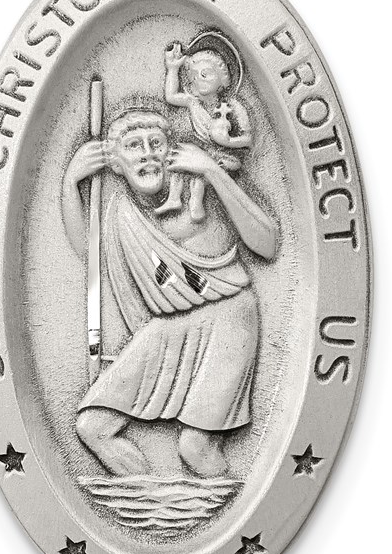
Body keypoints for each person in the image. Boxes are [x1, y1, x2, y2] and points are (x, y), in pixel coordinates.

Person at [61, 108, 276, 478]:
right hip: (170, 327)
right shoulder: (121, 211)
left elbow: (267, 243)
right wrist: (70, 184)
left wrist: (212, 171)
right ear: (114, 163)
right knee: (92, 428)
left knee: (195, 447)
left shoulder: (198, 187)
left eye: (155, 143)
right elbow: (91, 259)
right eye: (133, 146)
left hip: (228, 316)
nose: (147, 154)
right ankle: (148, 500)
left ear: (170, 150)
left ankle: (222, 503)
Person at [155, 42, 253, 222]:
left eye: (205, 74)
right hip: (202, 150)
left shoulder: (233, 107)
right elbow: (171, 96)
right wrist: (173, 69)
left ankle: (196, 204)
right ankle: (174, 198)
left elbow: (248, 139)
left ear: (223, 78)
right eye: (194, 77)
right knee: (177, 158)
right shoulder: (193, 102)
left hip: (226, 155)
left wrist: (228, 142)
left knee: (199, 175)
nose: (199, 79)